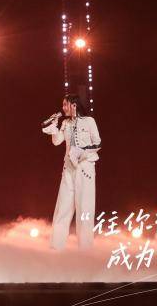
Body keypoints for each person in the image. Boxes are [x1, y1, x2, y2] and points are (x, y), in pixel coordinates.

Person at [44, 94, 102, 249]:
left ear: (74, 105)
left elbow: (97, 143)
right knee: (62, 208)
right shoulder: (65, 123)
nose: (63, 108)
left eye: (65, 104)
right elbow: (57, 141)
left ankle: (85, 251)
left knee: (85, 209)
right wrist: (54, 127)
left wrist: (82, 152)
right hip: (68, 169)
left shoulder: (89, 121)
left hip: (85, 168)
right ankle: (56, 248)